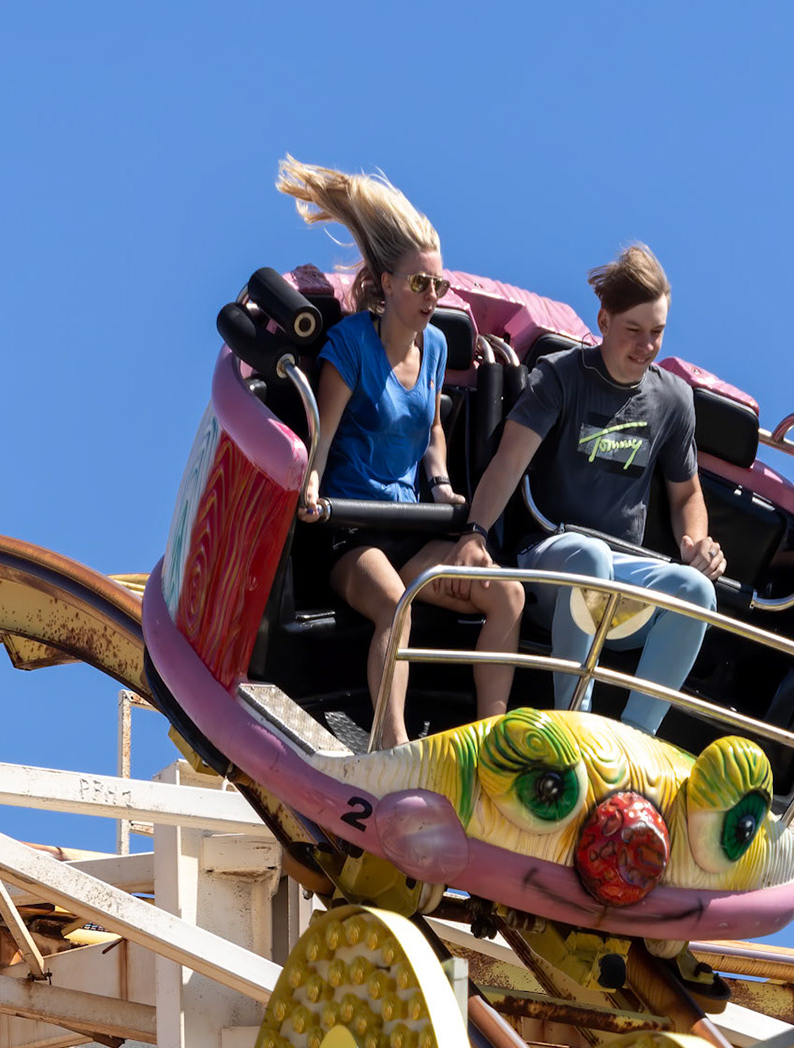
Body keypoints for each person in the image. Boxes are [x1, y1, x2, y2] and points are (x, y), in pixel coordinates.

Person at [276, 157, 524, 750]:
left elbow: (431, 429)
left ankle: (496, 744)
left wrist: (438, 482)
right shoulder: (350, 345)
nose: (431, 296)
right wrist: (310, 487)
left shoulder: (434, 345)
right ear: (386, 283)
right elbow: (324, 433)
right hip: (351, 535)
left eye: (439, 286)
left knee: (508, 593)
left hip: (410, 526)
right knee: (399, 604)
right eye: (420, 284)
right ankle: (392, 748)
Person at [447, 244, 725, 734]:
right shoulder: (562, 376)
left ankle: (635, 741)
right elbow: (509, 460)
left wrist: (695, 542)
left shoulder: (674, 399)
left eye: (657, 333)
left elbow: (687, 496)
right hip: (552, 559)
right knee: (591, 560)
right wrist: (475, 532)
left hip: (621, 578)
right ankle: (573, 725)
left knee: (697, 590)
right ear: (604, 321)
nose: (646, 346)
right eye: (633, 331)